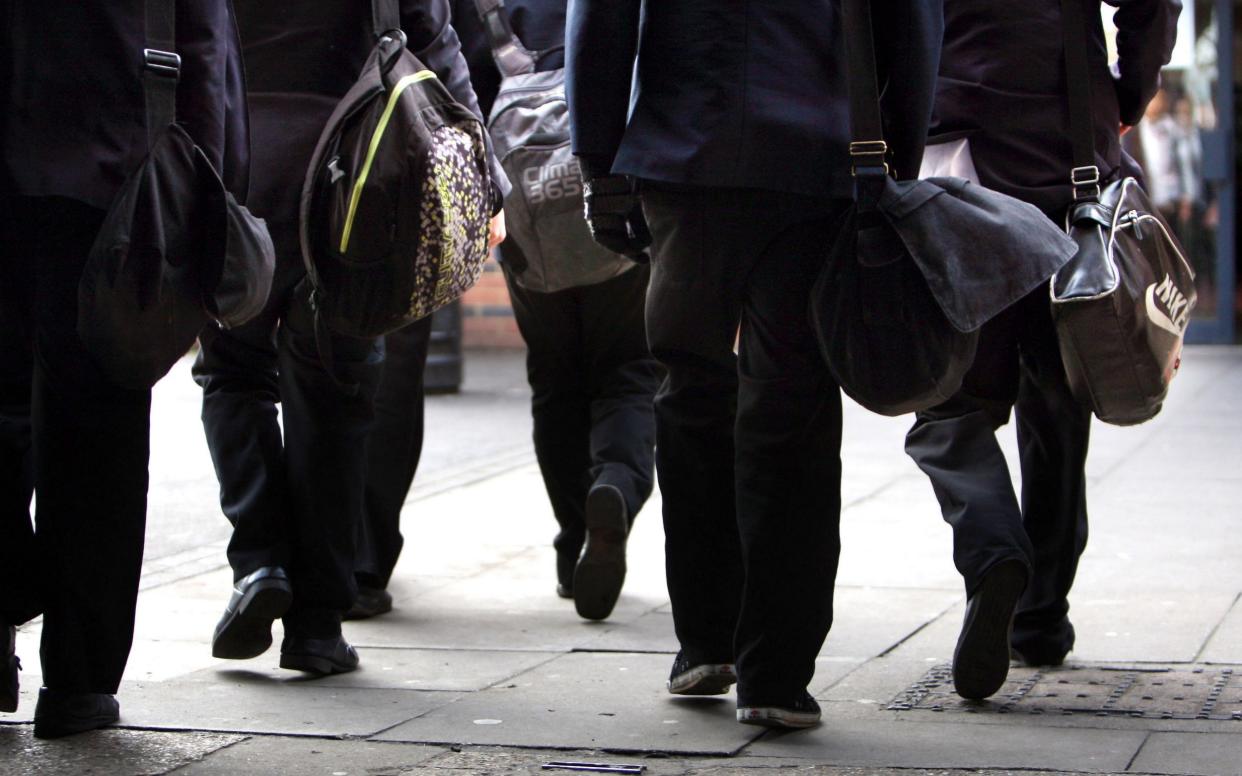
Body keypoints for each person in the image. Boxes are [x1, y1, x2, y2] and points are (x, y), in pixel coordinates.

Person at [566, 0, 942, 727]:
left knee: (690, 391)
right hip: (818, 159)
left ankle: (706, 639)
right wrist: (895, 155)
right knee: (793, 404)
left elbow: (602, 19)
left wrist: (599, 164)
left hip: (685, 151)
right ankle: (777, 673)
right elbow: (915, 25)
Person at [195, 0, 506, 674]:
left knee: (232, 374)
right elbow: (435, 44)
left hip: (236, 168)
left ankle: (259, 563)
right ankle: (317, 625)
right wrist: (485, 180)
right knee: (336, 393)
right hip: (356, 179)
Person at [904, 0, 1180, 700]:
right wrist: (1128, 89)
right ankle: (1039, 617)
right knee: (1059, 389)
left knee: (950, 397)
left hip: (953, 146)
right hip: (1067, 142)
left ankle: (994, 548)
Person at [1, 0, 248, 737]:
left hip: (36, 170)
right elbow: (204, 47)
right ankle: (78, 682)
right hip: (112, 181)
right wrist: (212, 191)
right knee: (99, 432)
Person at [450, 0, 662, 621]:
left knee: (555, 378)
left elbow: (464, 103)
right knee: (630, 370)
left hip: (531, 228)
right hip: (618, 207)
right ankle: (615, 487)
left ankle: (575, 542)